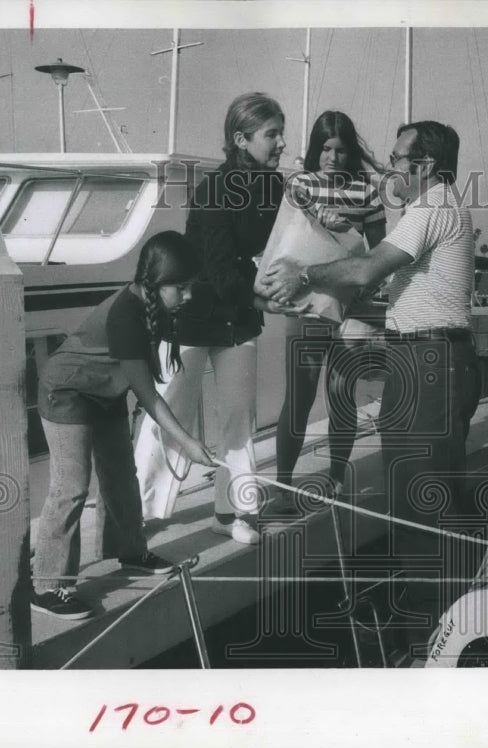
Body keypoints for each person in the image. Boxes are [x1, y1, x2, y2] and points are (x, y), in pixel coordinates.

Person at [260, 120, 483, 659]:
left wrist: (305, 278)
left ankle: (435, 641)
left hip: (430, 362)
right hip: (428, 359)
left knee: (420, 505)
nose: (390, 170)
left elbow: (364, 270)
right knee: (427, 500)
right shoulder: (437, 209)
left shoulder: (431, 209)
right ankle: (448, 628)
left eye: (397, 160)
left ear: (423, 166)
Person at [133, 92, 296, 546]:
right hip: (192, 315)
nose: (281, 142)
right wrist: (268, 300)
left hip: (237, 318)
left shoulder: (275, 187)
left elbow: (278, 249)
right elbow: (221, 267)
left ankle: (233, 512)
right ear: (241, 139)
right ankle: (138, 517)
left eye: (281, 132)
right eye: (272, 134)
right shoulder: (215, 190)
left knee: (238, 419)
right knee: (166, 413)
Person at [32, 231, 216, 620]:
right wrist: (188, 443)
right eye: (181, 288)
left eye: (190, 288)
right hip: (67, 391)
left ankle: (131, 552)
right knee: (72, 487)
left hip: (104, 393)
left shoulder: (155, 305)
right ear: (157, 283)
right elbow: (148, 396)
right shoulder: (126, 315)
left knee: (121, 476)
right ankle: (47, 585)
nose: (188, 296)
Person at [271, 110, 387, 512]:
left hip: (350, 308)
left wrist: (362, 288)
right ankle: (283, 485)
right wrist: (324, 217)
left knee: (342, 396)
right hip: (305, 309)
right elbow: (288, 226)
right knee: (299, 400)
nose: (333, 158)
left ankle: (336, 478)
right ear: (314, 150)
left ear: (351, 151)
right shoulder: (300, 184)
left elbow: (377, 252)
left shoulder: (368, 192)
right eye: (325, 149)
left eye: (341, 150)